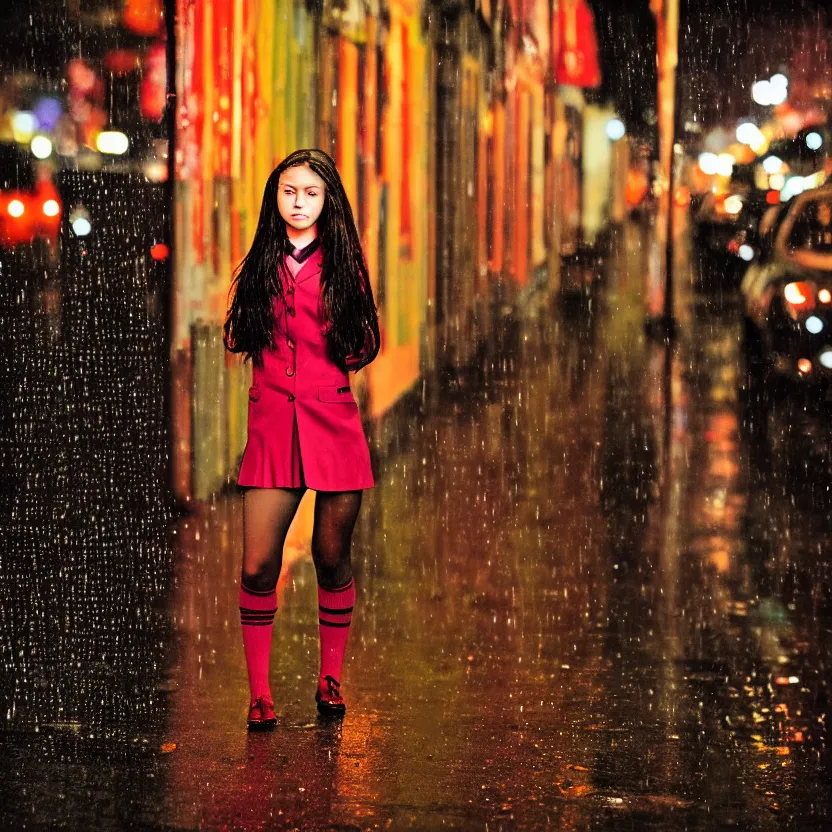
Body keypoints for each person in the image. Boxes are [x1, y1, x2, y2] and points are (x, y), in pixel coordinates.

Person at [223, 149, 380, 730]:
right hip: (271, 427)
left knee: (331, 556)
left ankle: (330, 677)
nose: (298, 202)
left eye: (310, 193)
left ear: (326, 201)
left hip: (332, 423)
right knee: (260, 564)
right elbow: (239, 335)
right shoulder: (262, 259)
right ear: (276, 198)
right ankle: (259, 693)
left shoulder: (343, 264)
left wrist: (335, 333)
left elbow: (364, 343)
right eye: (289, 191)